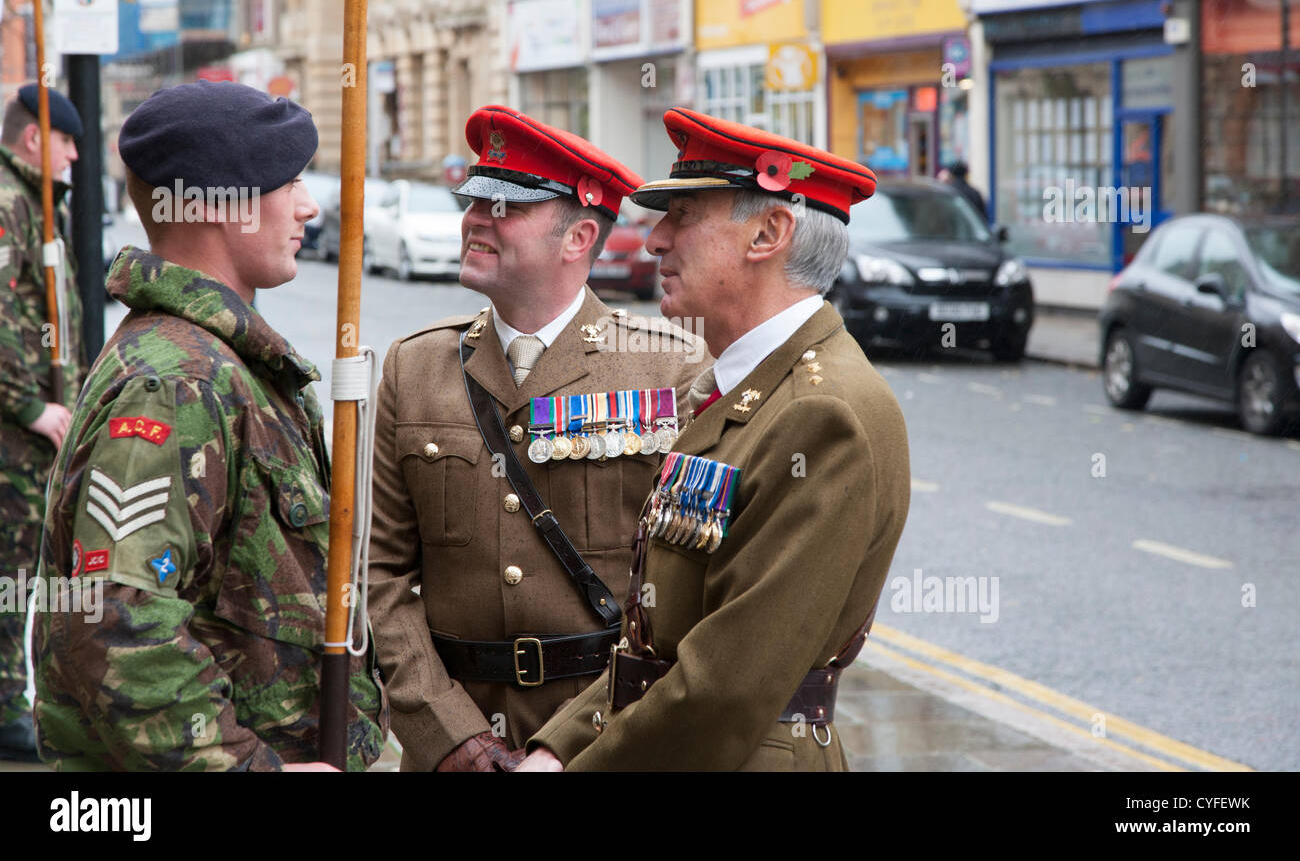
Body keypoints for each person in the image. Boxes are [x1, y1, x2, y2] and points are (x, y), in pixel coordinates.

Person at [519, 107, 911, 771]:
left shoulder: (823, 413)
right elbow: (658, 653)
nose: (654, 241)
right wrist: (556, 749)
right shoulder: (735, 387)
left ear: (769, 232)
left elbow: (725, 685)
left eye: (684, 216)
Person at [31, 80, 387, 771]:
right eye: (287, 182)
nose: (310, 206)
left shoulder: (216, 359)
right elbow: (116, 617)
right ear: (217, 205)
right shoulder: (178, 382)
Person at [367, 104, 705, 771]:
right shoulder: (415, 367)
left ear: (579, 236)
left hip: (608, 741)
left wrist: (585, 740)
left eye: (506, 207)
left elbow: (688, 596)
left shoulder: (674, 369)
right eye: (474, 202)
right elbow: (382, 575)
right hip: (455, 741)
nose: (476, 220)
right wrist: (447, 731)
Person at [0, 85, 85, 761]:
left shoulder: (36, 205)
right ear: (35, 140)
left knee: (24, 568)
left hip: (32, 430)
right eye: (67, 141)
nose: (76, 155)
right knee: (10, 568)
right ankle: (6, 708)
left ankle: (14, 701)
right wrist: (28, 405)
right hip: (14, 431)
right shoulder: (9, 204)